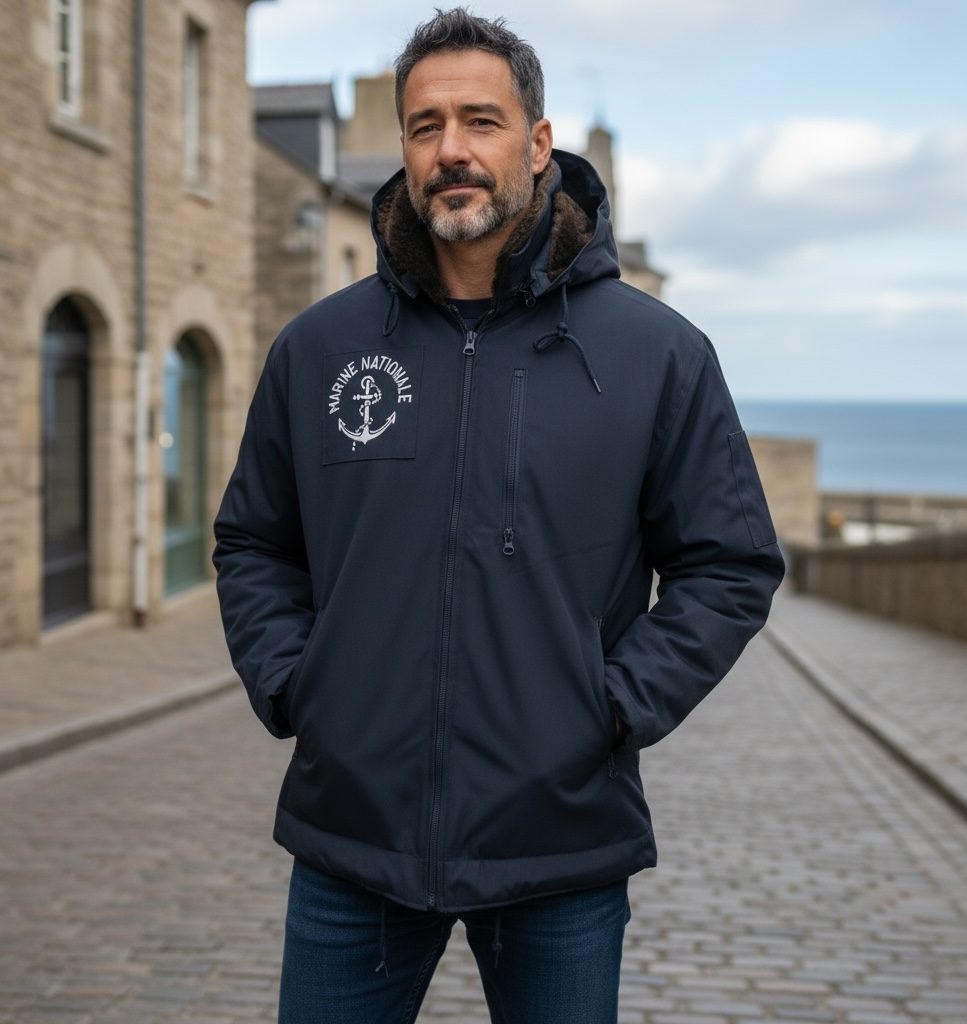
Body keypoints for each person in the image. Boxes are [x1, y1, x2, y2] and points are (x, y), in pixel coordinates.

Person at [212, 8, 785, 1022]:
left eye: (480, 120)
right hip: (354, 837)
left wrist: (607, 707)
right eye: (425, 126)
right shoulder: (319, 348)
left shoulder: (656, 354)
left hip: (560, 840)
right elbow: (255, 537)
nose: (452, 151)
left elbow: (728, 561)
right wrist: (302, 686)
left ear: (536, 142)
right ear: (402, 148)